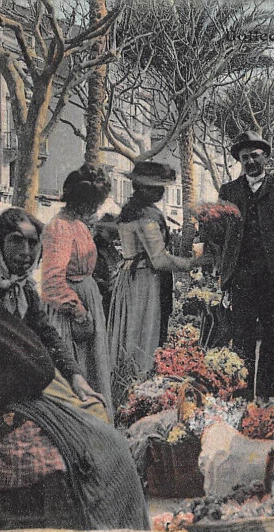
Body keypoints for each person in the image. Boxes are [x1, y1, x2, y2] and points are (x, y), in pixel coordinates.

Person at [0, 202, 149, 530]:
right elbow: (2, 376)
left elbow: (43, 339)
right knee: (95, 449)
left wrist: (75, 376)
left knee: (101, 430)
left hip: (14, 402)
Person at [108, 161, 213, 408]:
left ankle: (128, 390)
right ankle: (139, 393)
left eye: (161, 187)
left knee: (131, 332)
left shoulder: (128, 210)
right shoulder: (146, 216)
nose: (160, 192)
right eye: (155, 188)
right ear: (140, 187)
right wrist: (193, 262)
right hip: (145, 282)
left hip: (131, 279)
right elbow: (159, 259)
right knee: (144, 333)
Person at [219, 131, 274, 402]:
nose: (250, 161)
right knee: (242, 337)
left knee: (270, 338)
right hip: (241, 276)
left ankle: (265, 394)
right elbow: (218, 230)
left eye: (255, 156)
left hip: (273, 276)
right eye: (245, 158)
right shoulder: (229, 191)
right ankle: (244, 394)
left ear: (266, 157)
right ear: (240, 161)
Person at [0, 207, 108, 422]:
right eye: (16, 242)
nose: (25, 252)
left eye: (32, 243)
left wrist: (75, 376)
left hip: (33, 380)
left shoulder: (26, 289)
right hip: (10, 390)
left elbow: (48, 335)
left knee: (95, 409)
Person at [41, 164, 113, 415]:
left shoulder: (78, 224)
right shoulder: (59, 227)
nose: (96, 208)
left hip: (87, 296)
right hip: (69, 311)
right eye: (94, 202)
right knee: (78, 373)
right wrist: (79, 311)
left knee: (94, 371)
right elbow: (51, 281)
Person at [91, 213, 121, 320]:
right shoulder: (94, 248)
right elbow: (92, 275)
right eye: (111, 232)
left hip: (113, 295)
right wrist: (106, 286)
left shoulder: (111, 248)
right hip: (101, 297)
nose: (114, 236)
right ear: (100, 230)